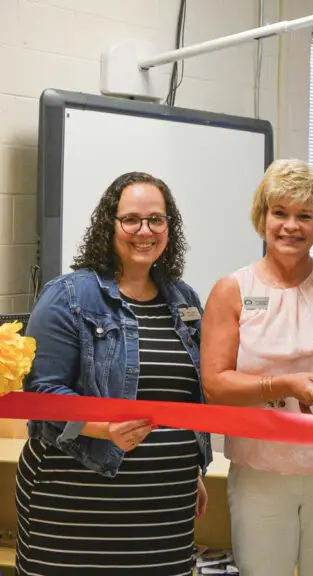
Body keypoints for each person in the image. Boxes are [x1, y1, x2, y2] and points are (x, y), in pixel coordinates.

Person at [15, 171, 212, 575]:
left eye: (157, 220)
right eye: (132, 220)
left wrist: (192, 464)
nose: (145, 230)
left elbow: (186, 398)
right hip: (79, 509)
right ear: (110, 225)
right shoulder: (68, 295)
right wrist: (101, 425)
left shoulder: (185, 300)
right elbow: (39, 394)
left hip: (166, 513)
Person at [200, 158, 313, 576]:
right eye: (280, 213)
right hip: (260, 470)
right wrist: (283, 384)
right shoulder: (232, 290)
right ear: (262, 218)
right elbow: (214, 385)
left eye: (304, 216)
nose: (291, 226)